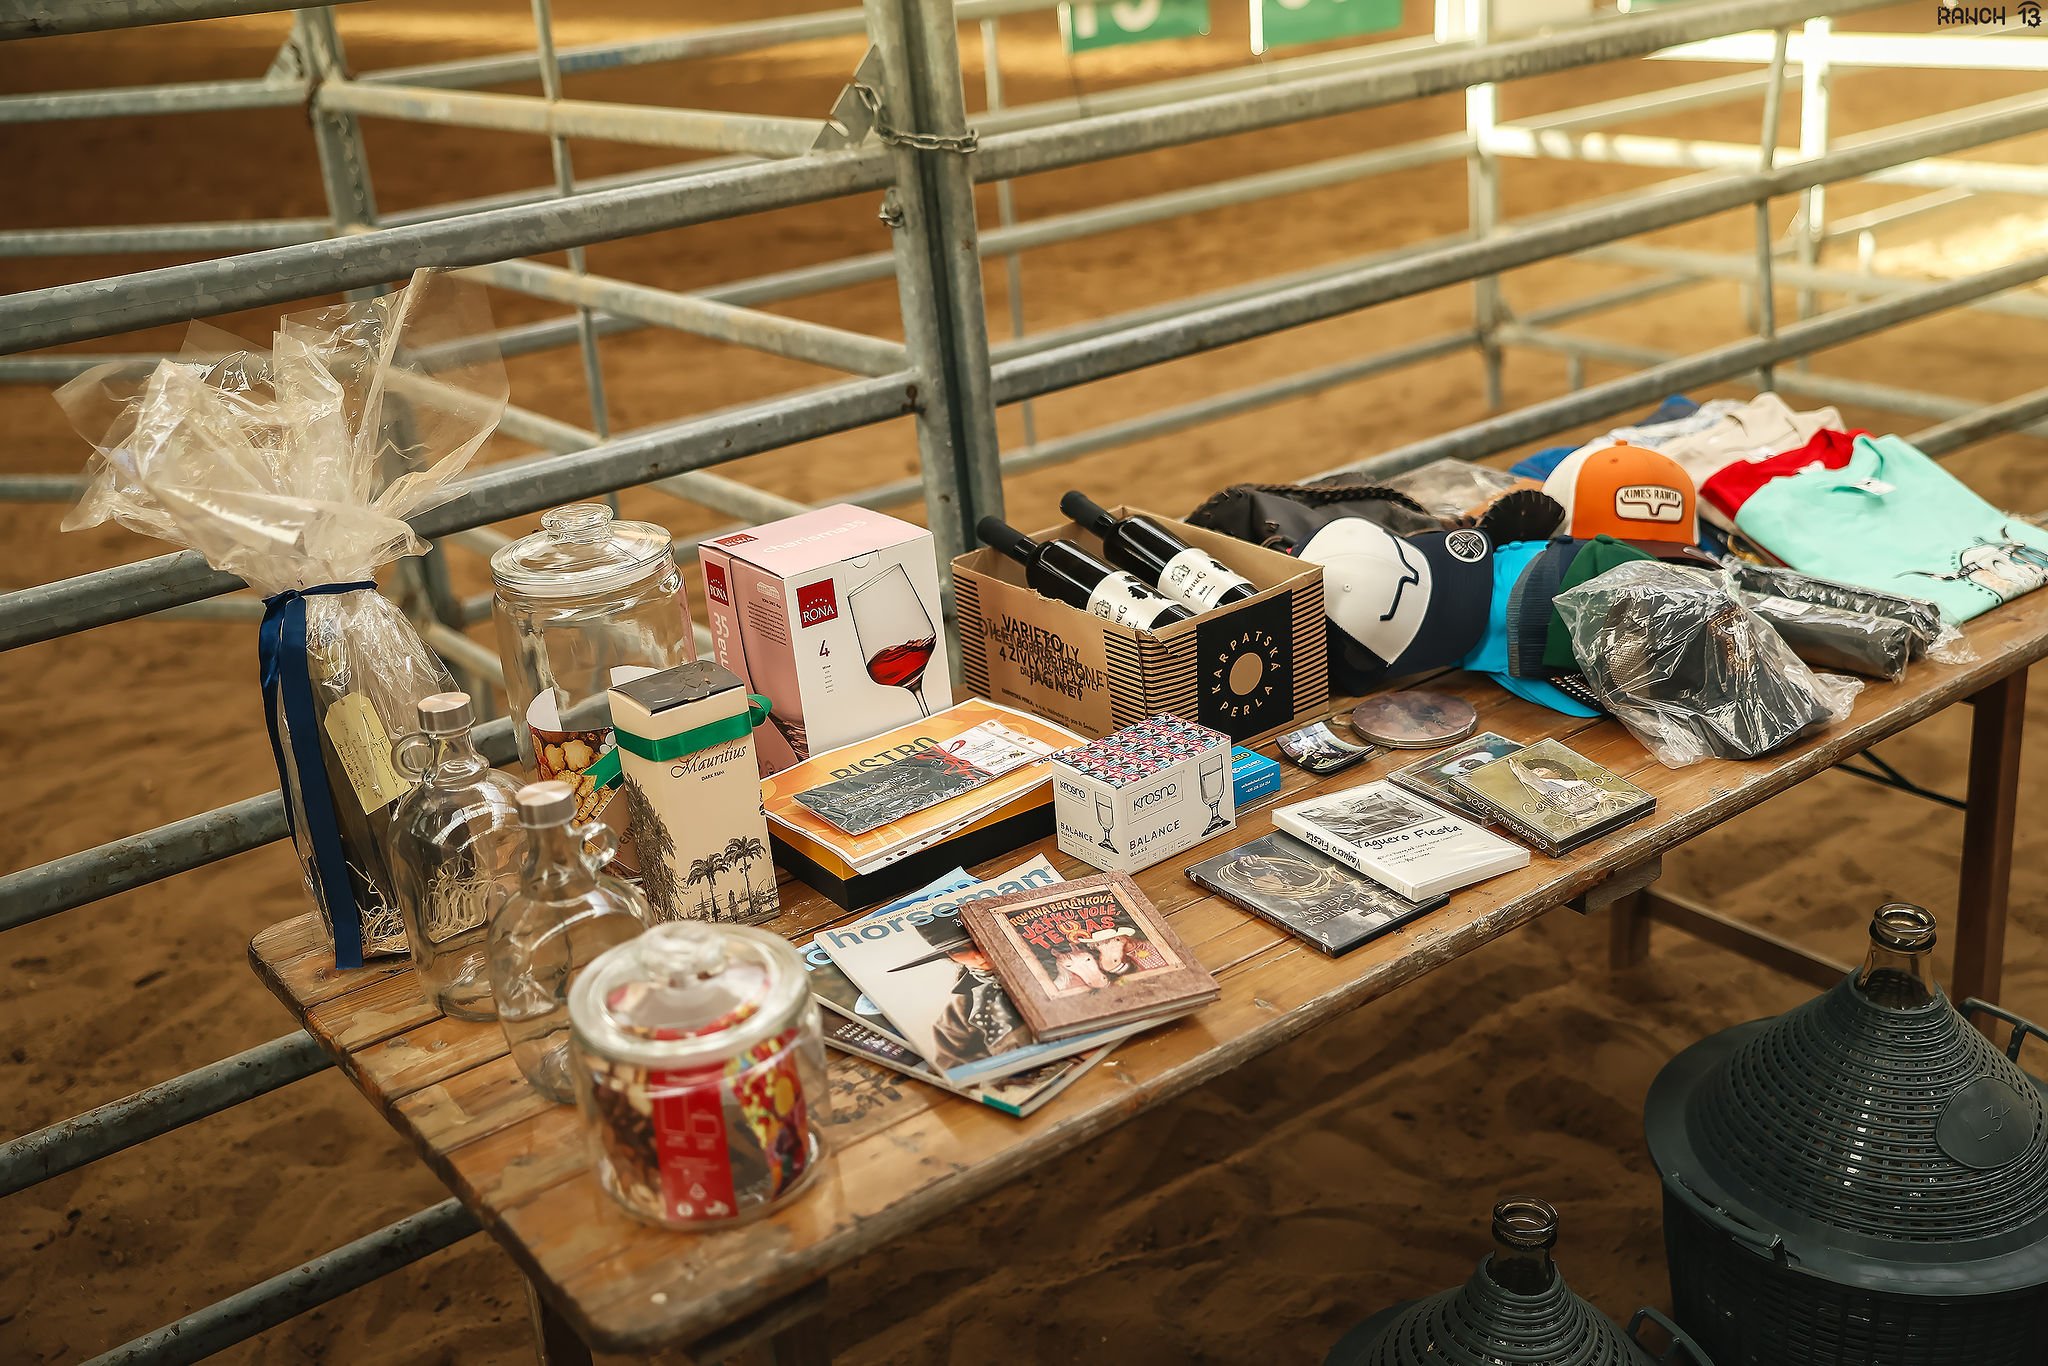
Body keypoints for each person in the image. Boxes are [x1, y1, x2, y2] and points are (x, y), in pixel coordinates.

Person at [887, 917, 1029, 1070]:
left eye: (979, 941)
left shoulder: (1043, 963)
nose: (978, 954)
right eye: (960, 950)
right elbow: (952, 1066)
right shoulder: (959, 1012)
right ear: (949, 956)